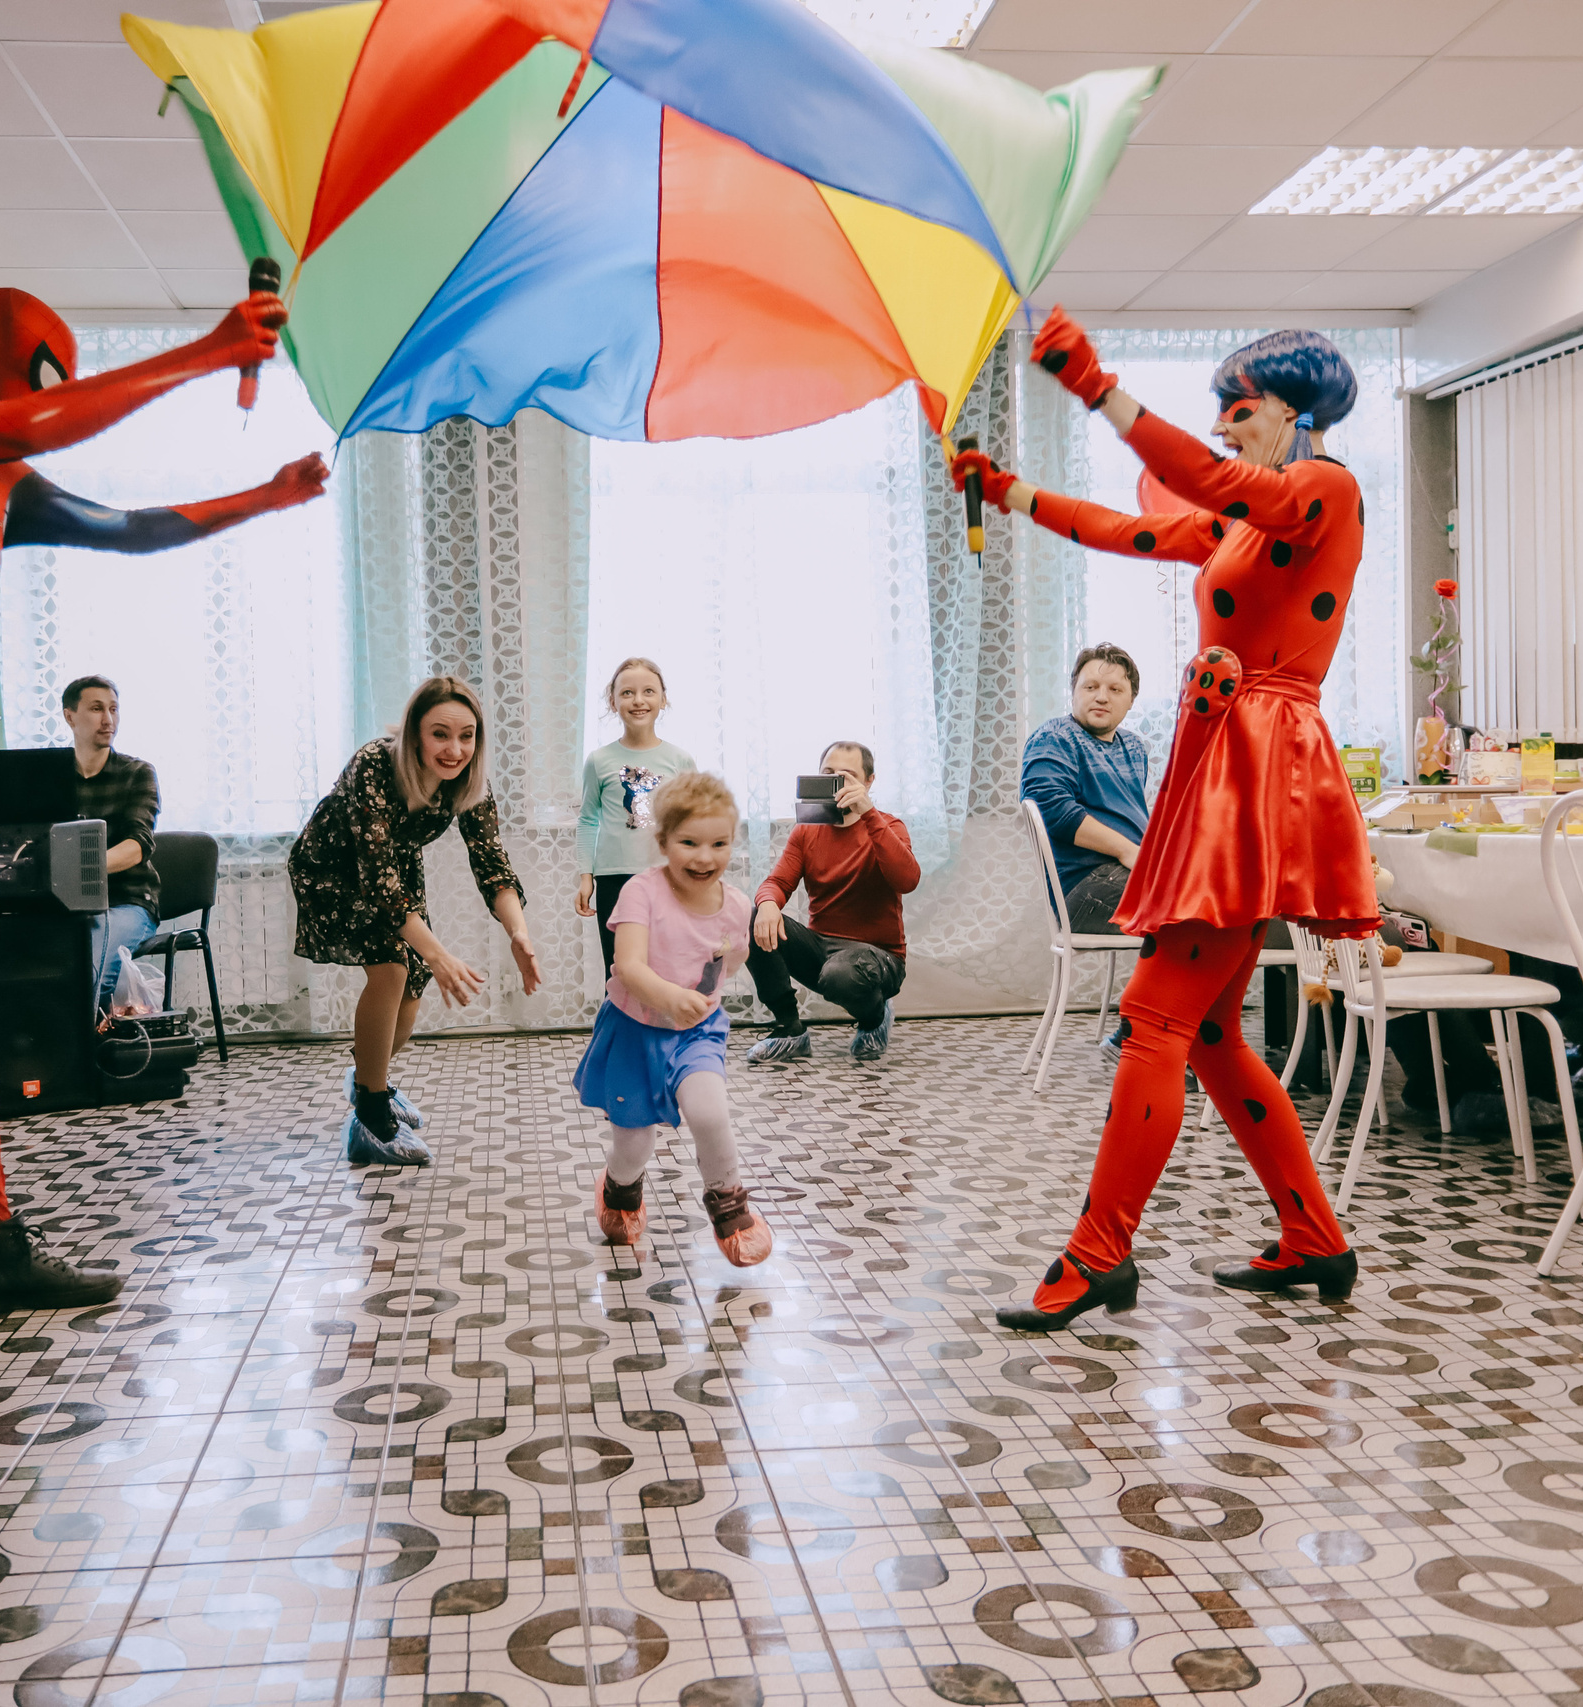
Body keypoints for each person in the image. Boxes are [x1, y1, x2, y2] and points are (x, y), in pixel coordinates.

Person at [0, 285, 329, 1387]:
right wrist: (204, 351)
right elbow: (40, 420)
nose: (45, 401)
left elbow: (127, 528)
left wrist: (263, 498)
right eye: (39, 374)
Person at [952, 315, 1372, 1329]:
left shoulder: (1322, 486)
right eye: (1218, 409)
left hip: (1257, 765)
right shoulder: (1244, 520)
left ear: (1295, 411)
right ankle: (1314, 1237)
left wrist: (1095, 386)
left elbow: (1210, 479)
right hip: (1235, 761)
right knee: (1210, 1033)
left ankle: (1099, 1254)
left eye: (1241, 407)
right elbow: (1123, 529)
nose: (1224, 425)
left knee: (1155, 1020)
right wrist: (1009, 492)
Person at [290, 677, 542, 1167]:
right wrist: (440, 954)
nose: (455, 750)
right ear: (414, 734)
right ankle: (370, 1116)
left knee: (411, 988)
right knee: (392, 968)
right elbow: (375, 877)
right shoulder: (374, 763)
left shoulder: (470, 781)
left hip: (396, 871)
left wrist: (519, 932)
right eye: (440, 734)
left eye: (466, 736)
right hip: (332, 869)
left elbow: (492, 863)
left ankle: (369, 1079)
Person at [576, 771, 772, 1266]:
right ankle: (620, 1188)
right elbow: (627, 965)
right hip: (634, 1030)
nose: (705, 857)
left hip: (696, 1031)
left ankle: (730, 1206)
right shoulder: (642, 893)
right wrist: (669, 996)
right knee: (634, 1142)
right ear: (663, 842)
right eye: (689, 843)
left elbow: (731, 959)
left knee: (709, 1113)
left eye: (719, 843)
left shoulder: (736, 905)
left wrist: (697, 996)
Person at [743, 741, 920, 1064]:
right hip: (823, 950)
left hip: (879, 957)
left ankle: (874, 1018)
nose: (837, 784)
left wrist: (868, 814)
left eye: (847, 776)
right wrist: (767, 904)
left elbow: (907, 880)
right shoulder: (807, 831)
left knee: (841, 975)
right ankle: (790, 1030)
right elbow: (777, 883)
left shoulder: (889, 826)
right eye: (828, 774)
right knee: (751, 916)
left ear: (868, 782)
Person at [1023, 643, 1151, 1059]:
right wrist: (1129, 851)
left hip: (1129, 878)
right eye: (1091, 686)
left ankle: (1150, 1033)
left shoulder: (1134, 748)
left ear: (1131, 700)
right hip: (1082, 889)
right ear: (1074, 691)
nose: (1101, 696)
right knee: (1187, 913)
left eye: (1115, 689)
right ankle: (1147, 1036)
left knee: (1210, 905)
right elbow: (1054, 811)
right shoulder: (1054, 738)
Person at [576, 657, 695, 971]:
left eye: (648, 691)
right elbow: (587, 819)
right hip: (613, 878)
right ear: (612, 701)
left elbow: (693, 823)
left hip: (667, 876)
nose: (638, 700)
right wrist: (586, 876)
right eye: (627, 693)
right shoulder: (599, 760)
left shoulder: (680, 760)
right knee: (620, 970)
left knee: (668, 968)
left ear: (663, 699)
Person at [62, 675, 161, 1014]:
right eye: (96, 709)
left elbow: (138, 845)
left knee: (90, 965)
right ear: (70, 716)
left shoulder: (137, 773)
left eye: (114, 709)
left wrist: (80, 868)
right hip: (64, 905)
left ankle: (84, 1044)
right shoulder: (52, 777)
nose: (108, 719)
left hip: (127, 900)